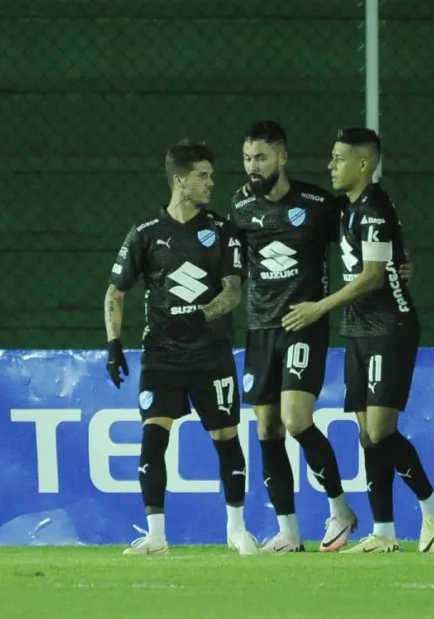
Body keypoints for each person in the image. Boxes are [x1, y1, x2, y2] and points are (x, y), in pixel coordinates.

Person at [282, 126, 434, 554]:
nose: (330, 165)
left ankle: (433, 506)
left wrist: (319, 307)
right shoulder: (349, 206)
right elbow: (393, 252)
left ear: (363, 164)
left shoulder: (373, 205)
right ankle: (384, 533)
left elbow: (373, 278)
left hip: (388, 327)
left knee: (380, 429)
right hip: (358, 329)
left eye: (338, 158)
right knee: (366, 435)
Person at [104, 141, 258, 557]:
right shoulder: (145, 234)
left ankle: (237, 531)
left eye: (211, 175)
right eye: (202, 176)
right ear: (179, 180)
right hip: (162, 355)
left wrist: (200, 315)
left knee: (226, 437)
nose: (210, 183)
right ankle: (156, 538)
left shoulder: (222, 230)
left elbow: (233, 292)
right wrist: (114, 343)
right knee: (153, 437)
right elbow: (115, 292)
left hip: (211, 354)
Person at [228, 120, 358, 553]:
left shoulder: (319, 204)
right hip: (261, 326)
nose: (253, 166)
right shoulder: (240, 206)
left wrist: (400, 258)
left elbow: (365, 230)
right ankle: (288, 532)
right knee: (266, 428)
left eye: (261, 157)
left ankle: (340, 510)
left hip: (304, 322)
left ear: (282, 157)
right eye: (247, 158)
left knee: (295, 419)